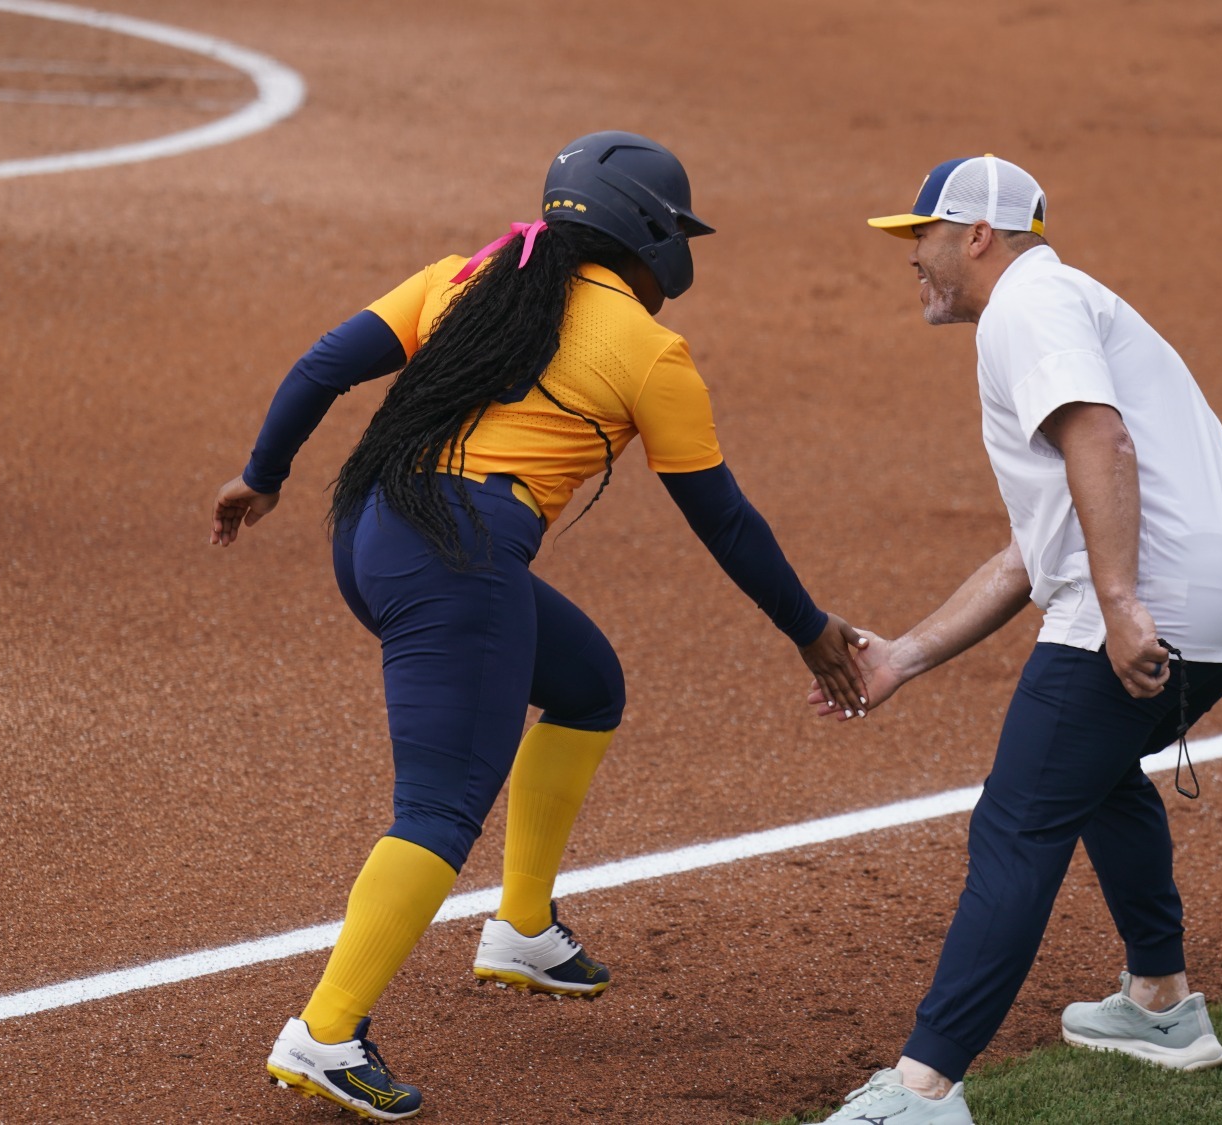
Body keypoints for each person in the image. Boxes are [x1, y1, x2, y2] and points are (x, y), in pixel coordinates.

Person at [208, 131, 869, 1121]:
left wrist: (261, 477)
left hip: (374, 532)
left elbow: (321, 366)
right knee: (437, 809)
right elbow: (723, 520)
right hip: (456, 557)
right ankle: (326, 1033)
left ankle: (520, 929)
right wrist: (808, 628)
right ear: (647, 237)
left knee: (587, 686)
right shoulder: (649, 353)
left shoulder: (467, 274)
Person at [813, 155, 1222, 1125]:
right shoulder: (1064, 304)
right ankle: (1157, 1003)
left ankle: (921, 1092)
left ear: (977, 237)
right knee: (1096, 775)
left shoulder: (1025, 308)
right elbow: (1032, 553)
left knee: (1016, 818)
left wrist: (1119, 604)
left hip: (1156, 594)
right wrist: (901, 655)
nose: (912, 257)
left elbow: (1101, 444)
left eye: (922, 238)